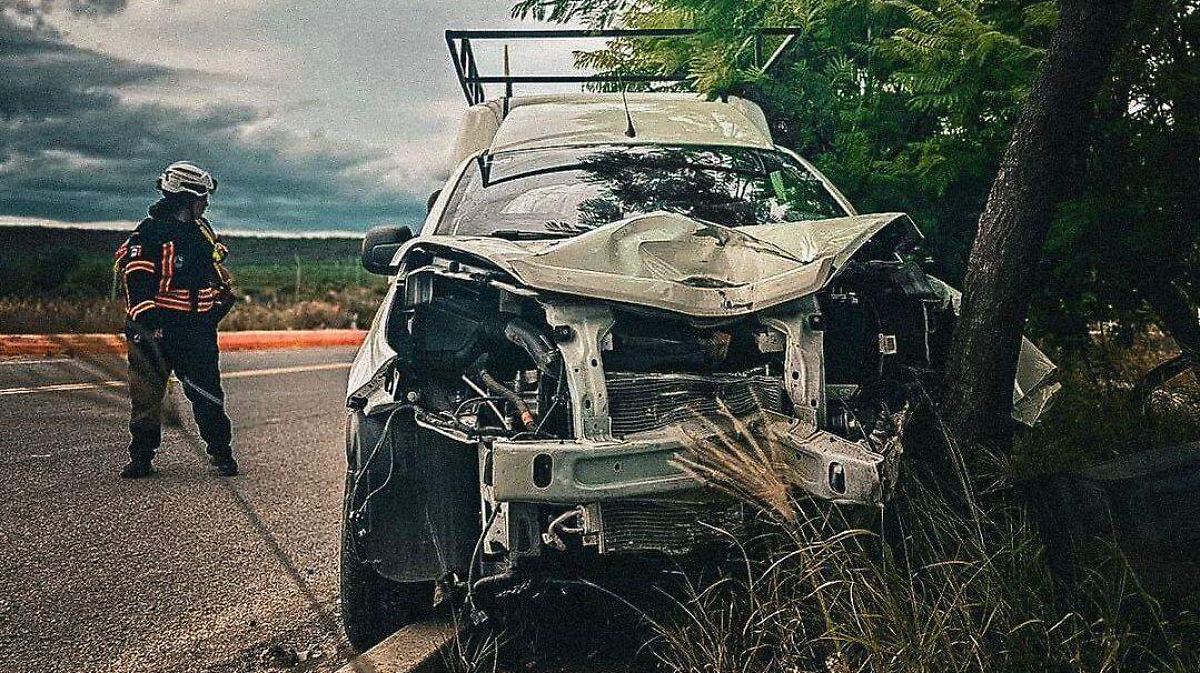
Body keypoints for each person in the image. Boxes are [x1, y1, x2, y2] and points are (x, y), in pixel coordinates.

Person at [113, 161, 238, 478]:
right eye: (203, 197)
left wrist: (216, 301)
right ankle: (141, 458)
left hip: (196, 330)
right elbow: (136, 281)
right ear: (187, 197)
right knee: (147, 396)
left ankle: (221, 454)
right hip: (155, 329)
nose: (206, 203)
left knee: (207, 393)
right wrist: (149, 325)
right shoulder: (150, 234)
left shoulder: (202, 231)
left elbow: (212, 264)